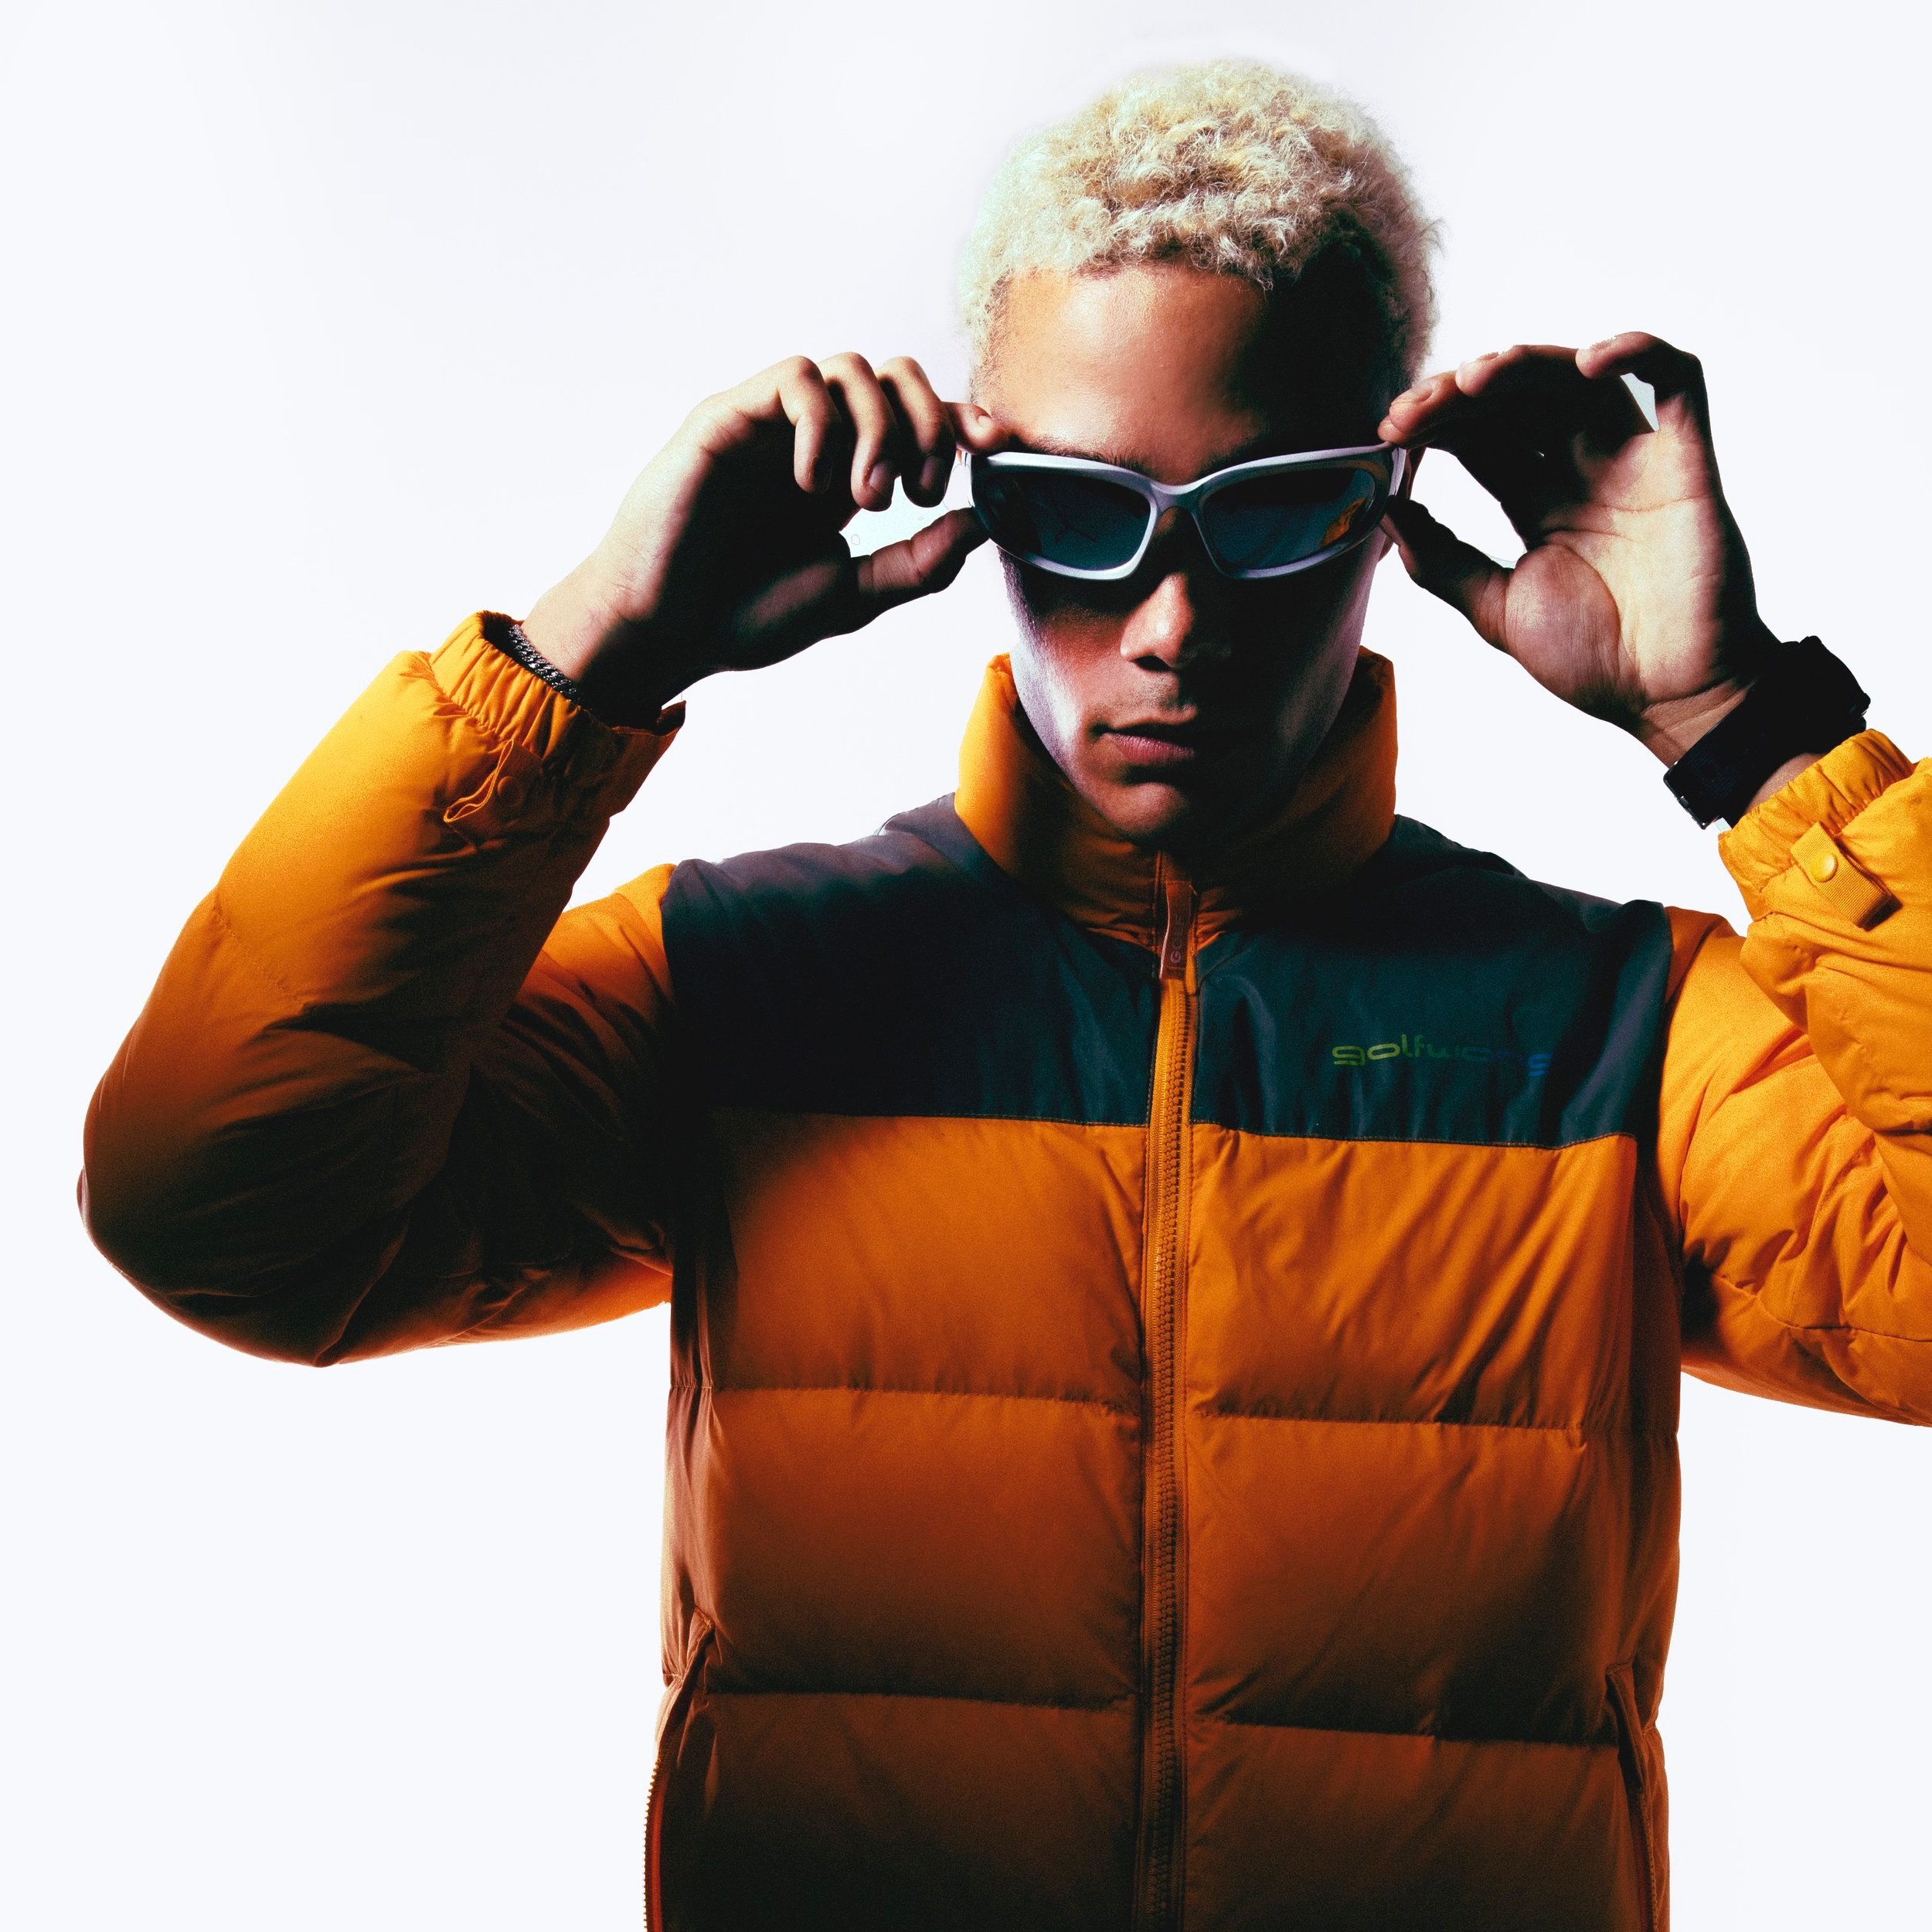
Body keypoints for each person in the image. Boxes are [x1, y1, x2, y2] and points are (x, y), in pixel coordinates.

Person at [78, 58, 1927, 1932]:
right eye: (1074, 510)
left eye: (1273, 510)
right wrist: (586, 654)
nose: (1173, 622)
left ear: (1385, 511)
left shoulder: (1610, 1034)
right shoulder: (739, 989)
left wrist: (1737, 720)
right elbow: (219, 1214)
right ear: (976, 508)